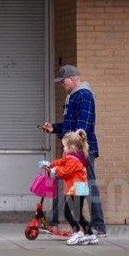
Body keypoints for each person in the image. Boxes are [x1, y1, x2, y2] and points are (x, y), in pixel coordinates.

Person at [43, 64, 107, 237]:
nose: (62, 85)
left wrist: (75, 151)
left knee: (87, 187)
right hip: (73, 149)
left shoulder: (84, 95)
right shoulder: (73, 96)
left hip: (82, 151)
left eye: (63, 82)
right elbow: (71, 125)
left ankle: (98, 226)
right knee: (60, 179)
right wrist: (54, 128)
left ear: (72, 79)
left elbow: (82, 127)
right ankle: (53, 221)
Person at [39, 129, 98, 246]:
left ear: (71, 147)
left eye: (64, 147)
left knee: (67, 212)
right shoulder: (71, 157)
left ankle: (77, 232)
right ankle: (90, 234)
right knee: (77, 213)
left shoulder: (73, 160)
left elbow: (65, 171)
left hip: (78, 188)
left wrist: (54, 170)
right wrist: (50, 164)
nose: (63, 149)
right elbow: (62, 162)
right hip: (78, 188)